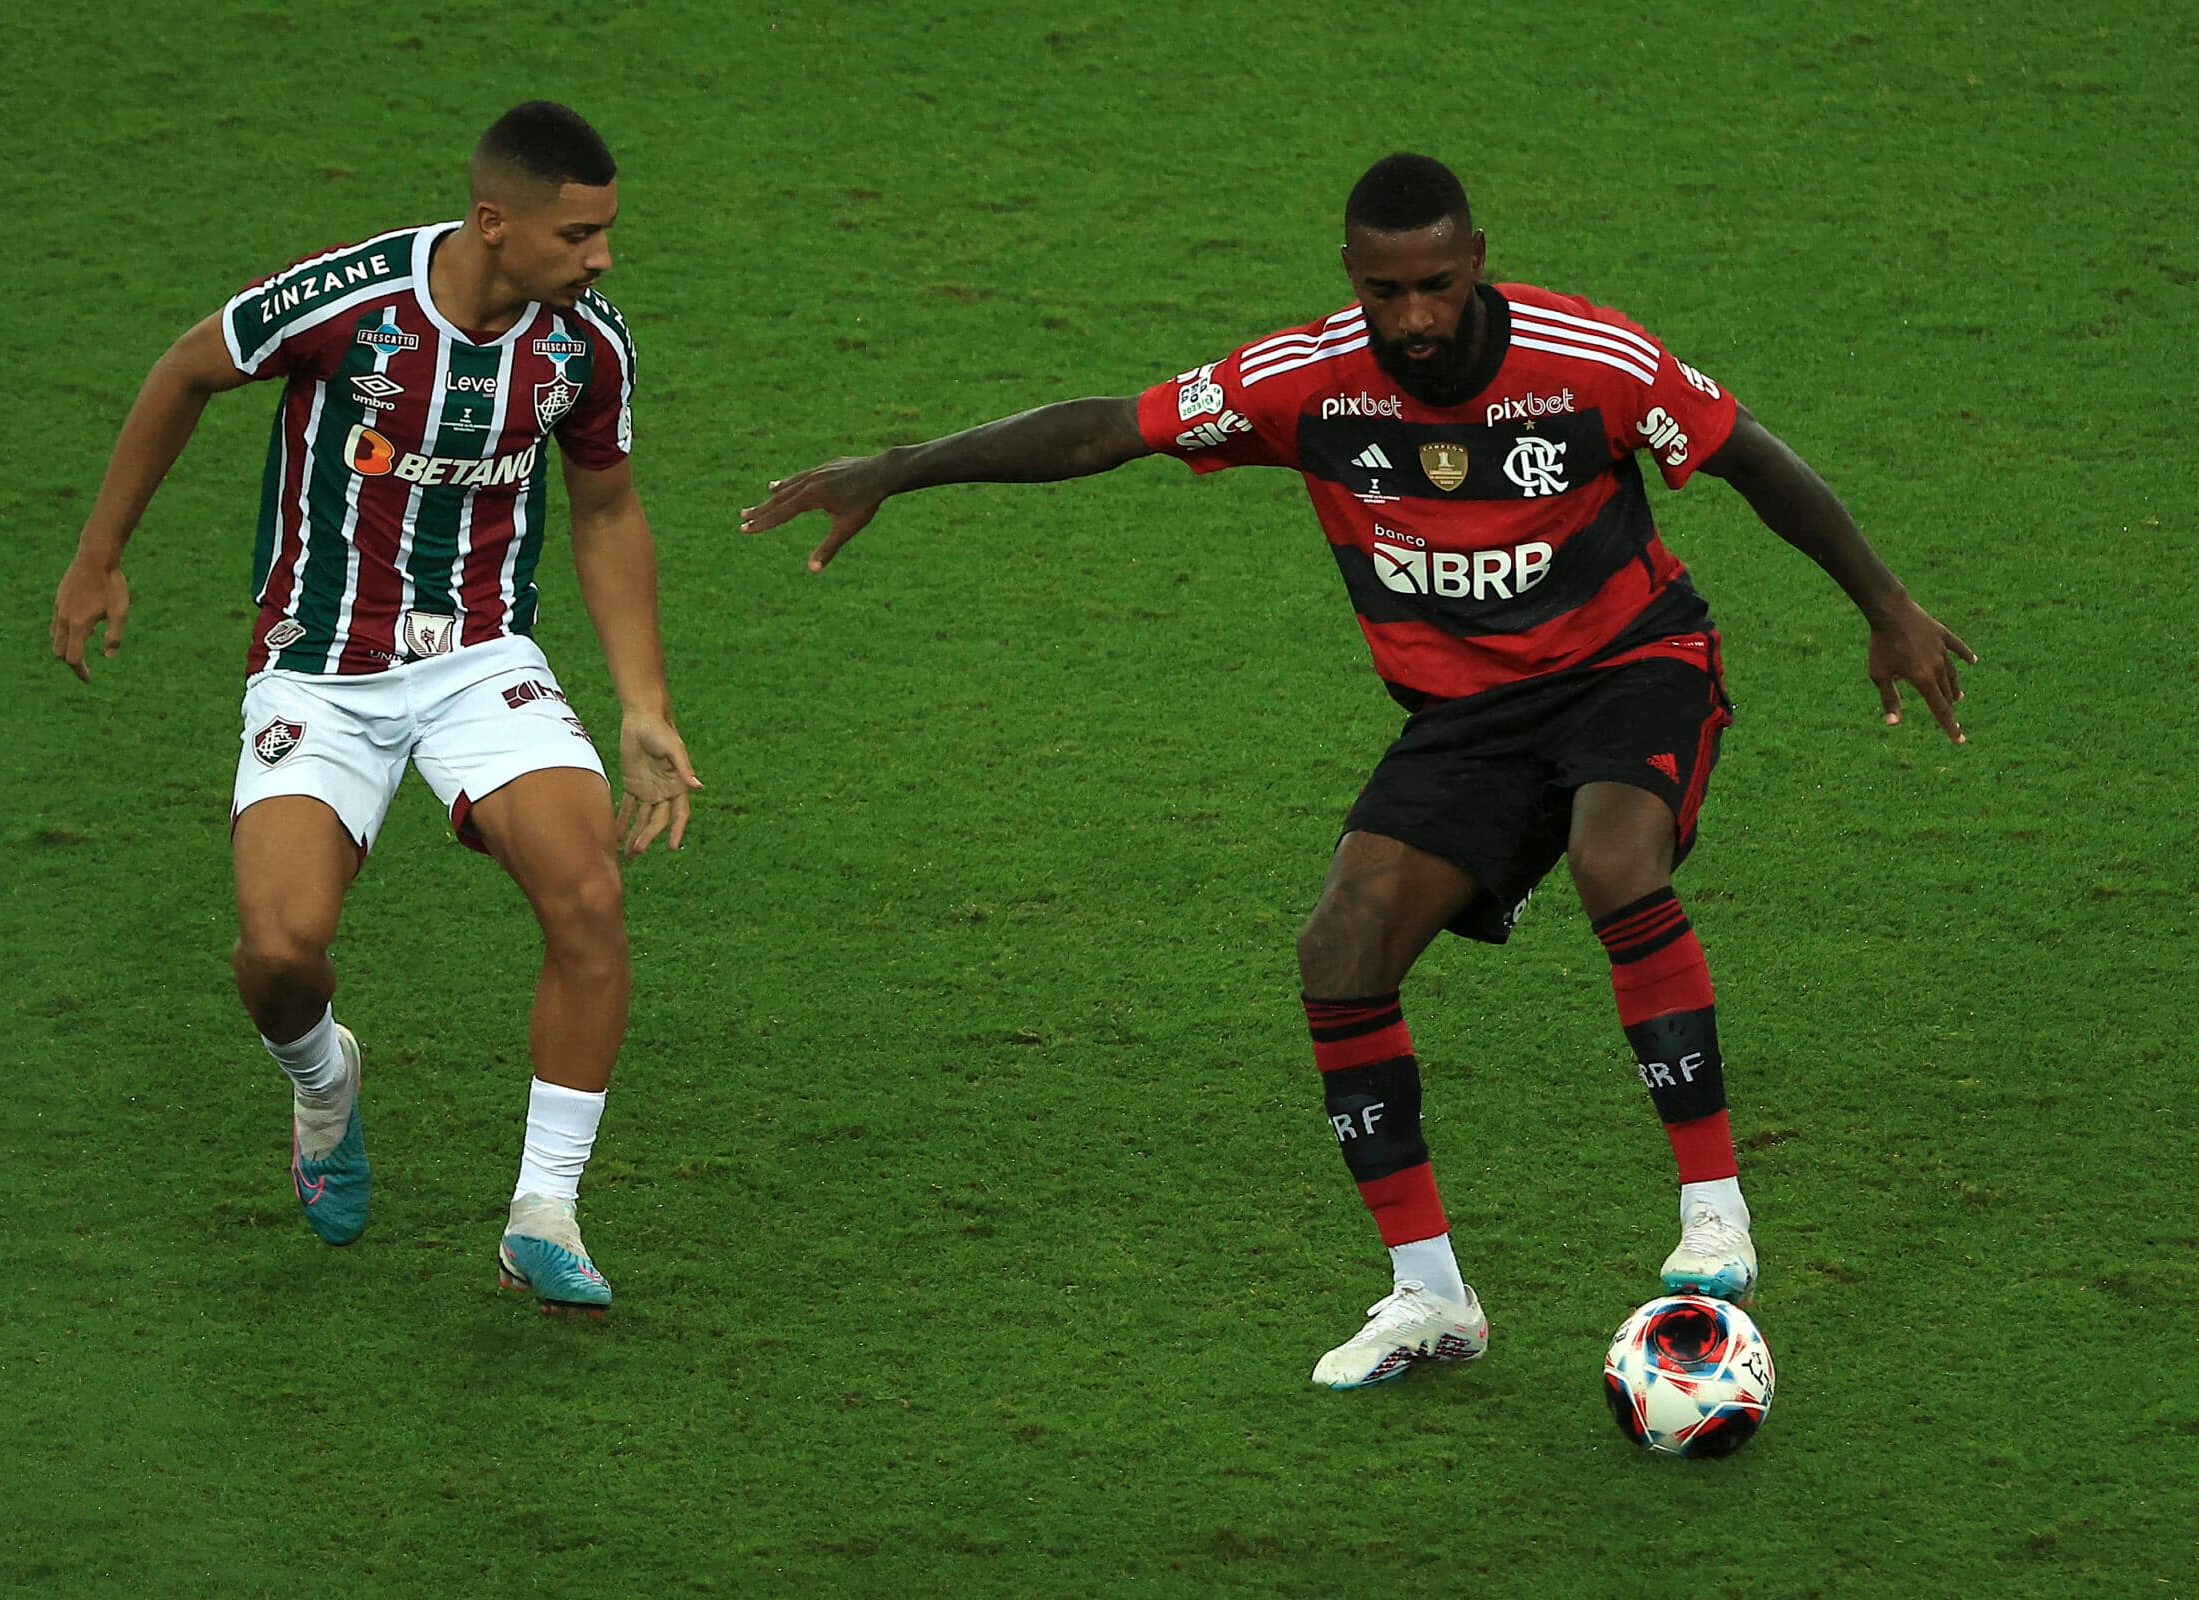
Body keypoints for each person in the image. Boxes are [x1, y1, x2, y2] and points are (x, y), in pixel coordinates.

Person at [742, 153, 1973, 1387]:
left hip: (1630, 663)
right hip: (1464, 716)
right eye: (1387, 292)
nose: (1417, 318)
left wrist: (1887, 603)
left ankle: (1715, 1208)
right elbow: (1102, 433)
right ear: (1351, 277)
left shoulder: (1591, 360)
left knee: (1615, 860)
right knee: (1340, 946)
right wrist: (898, 467)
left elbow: (1750, 454)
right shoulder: (1303, 381)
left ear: (1477, 258)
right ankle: (1430, 1297)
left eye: (1437, 284)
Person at [50, 101, 700, 1317]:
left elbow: (608, 508)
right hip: (319, 667)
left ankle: (543, 1212)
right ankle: (323, 1080)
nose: (602, 257)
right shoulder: (350, 301)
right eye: (579, 235)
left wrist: (643, 704)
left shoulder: (584, 346)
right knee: (281, 955)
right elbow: (187, 368)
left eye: (607, 232)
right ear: (495, 222)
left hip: (481, 660)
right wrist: (100, 554)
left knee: (590, 893)